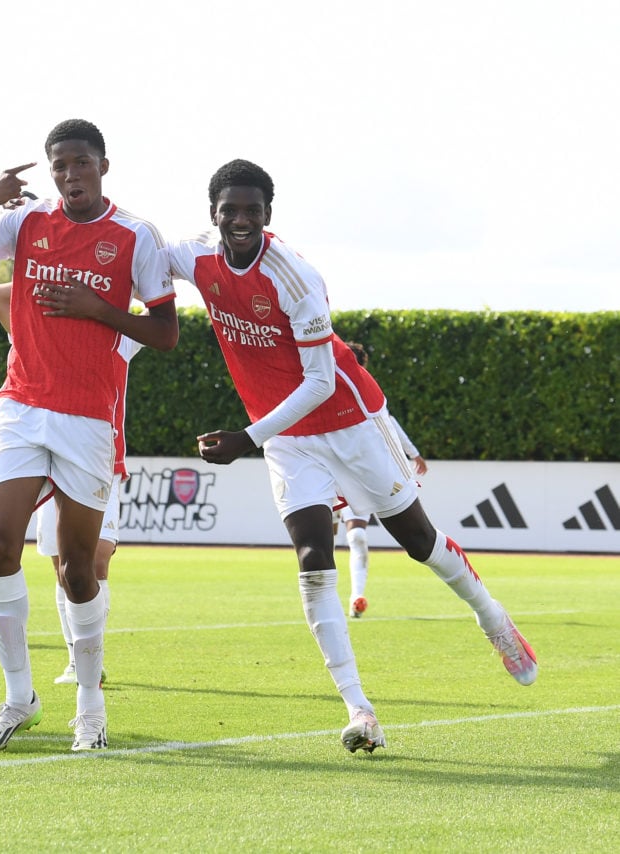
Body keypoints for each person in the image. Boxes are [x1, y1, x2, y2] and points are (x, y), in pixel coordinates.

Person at [168, 159, 538, 754]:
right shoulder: (193, 256)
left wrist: (246, 438)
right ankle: (359, 709)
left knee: (418, 541)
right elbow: (138, 257)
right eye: (229, 210)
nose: (240, 220)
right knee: (313, 555)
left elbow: (318, 383)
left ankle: (492, 617)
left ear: (268, 215)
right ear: (212, 213)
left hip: (348, 420)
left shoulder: (296, 278)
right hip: (289, 438)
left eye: (252, 210)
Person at [0, 119, 178, 752]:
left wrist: (101, 311)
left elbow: (167, 333)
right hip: (20, 406)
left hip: (89, 418)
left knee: (76, 569)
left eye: (81, 163)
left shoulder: (135, 236)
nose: (71, 175)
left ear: (103, 166)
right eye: (60, 166)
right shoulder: (26, 221)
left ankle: (89, 707)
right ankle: (19, 698)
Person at [0, 281, 139, 685]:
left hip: (100, 456)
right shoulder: (40, 328)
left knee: (96, 559)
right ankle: (76, 658)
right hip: (43, 455)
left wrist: (99, 298)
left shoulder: (118, 336)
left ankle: (93, 658)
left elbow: (149, 310)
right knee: (62, 566)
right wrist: (51, 279)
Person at [336, 341, 429, 619]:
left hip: (355, 474)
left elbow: (387, 421)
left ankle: (356, 598)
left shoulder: (364, 389)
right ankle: (324, 602)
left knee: (357, 537)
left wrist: (412, 453)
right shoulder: (320, 388)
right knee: (320, 543)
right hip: (327, 474)